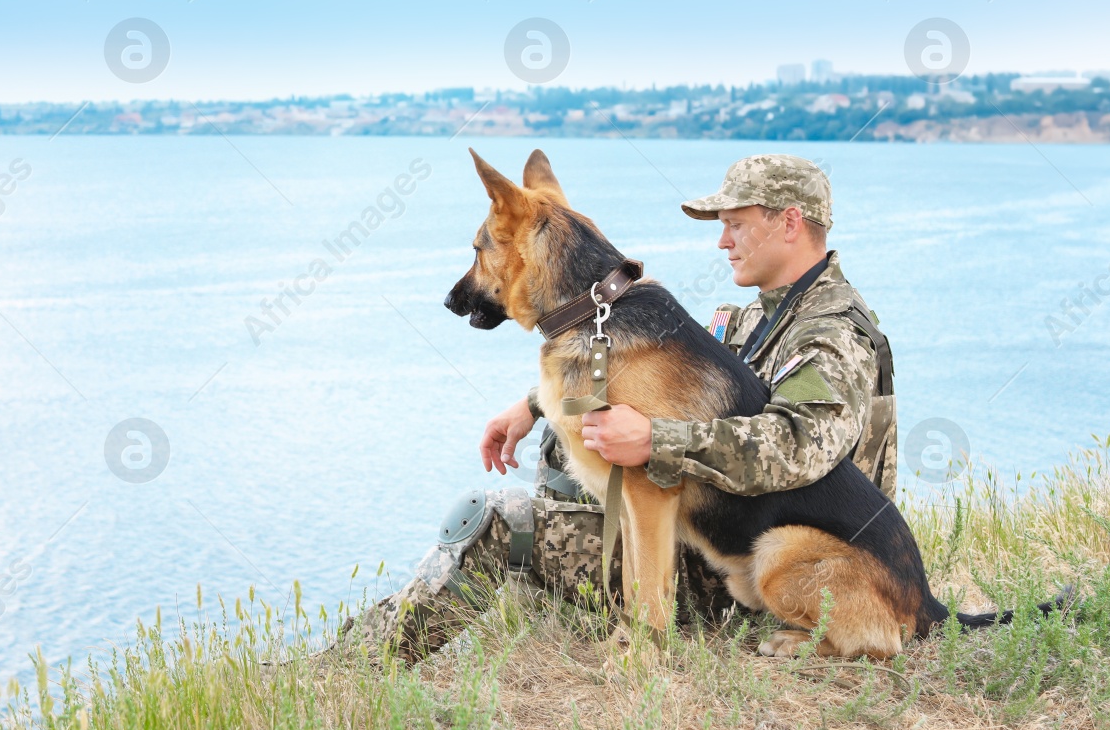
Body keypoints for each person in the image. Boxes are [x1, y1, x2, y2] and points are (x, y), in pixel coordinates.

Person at [339, 155, 897, 662]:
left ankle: (363, 664)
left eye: (736, 224)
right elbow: (666, 383)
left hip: (799, 560)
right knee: (564, 445)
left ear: (790, 223)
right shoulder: (752, 317)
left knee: (494, 522)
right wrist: (533, 406)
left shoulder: (832, 334)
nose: (722, 242)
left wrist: (657, 440)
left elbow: (797, 449)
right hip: (718, 538)